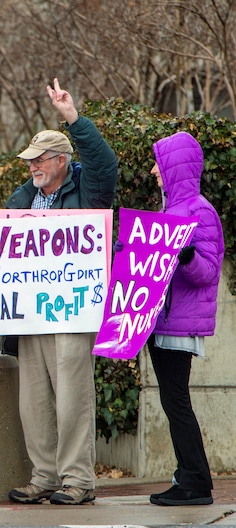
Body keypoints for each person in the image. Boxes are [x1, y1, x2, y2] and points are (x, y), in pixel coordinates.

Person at [0, 78, 117, 505]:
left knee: (72, 400)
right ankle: (45, 476)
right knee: (34, 402)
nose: (32, 165)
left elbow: (105, 165)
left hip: (70, 313)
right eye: (30, 159)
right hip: (28, 317)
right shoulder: (20, 199)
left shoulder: (88, 192)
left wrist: (73, 117)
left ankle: (77, 481)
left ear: (62, 160)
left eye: (40, 159)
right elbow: (2, 250)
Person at [143, 132, 224, 506]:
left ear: (173, 168)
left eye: (158, 165)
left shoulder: (199, 211)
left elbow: (207, 271)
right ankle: (188, 477)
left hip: (179, 323)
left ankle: (195, 482)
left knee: (176, 402)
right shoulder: (170, 211)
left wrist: (187, 255)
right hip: (161, 322)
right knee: (173, 401)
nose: (154, 172)